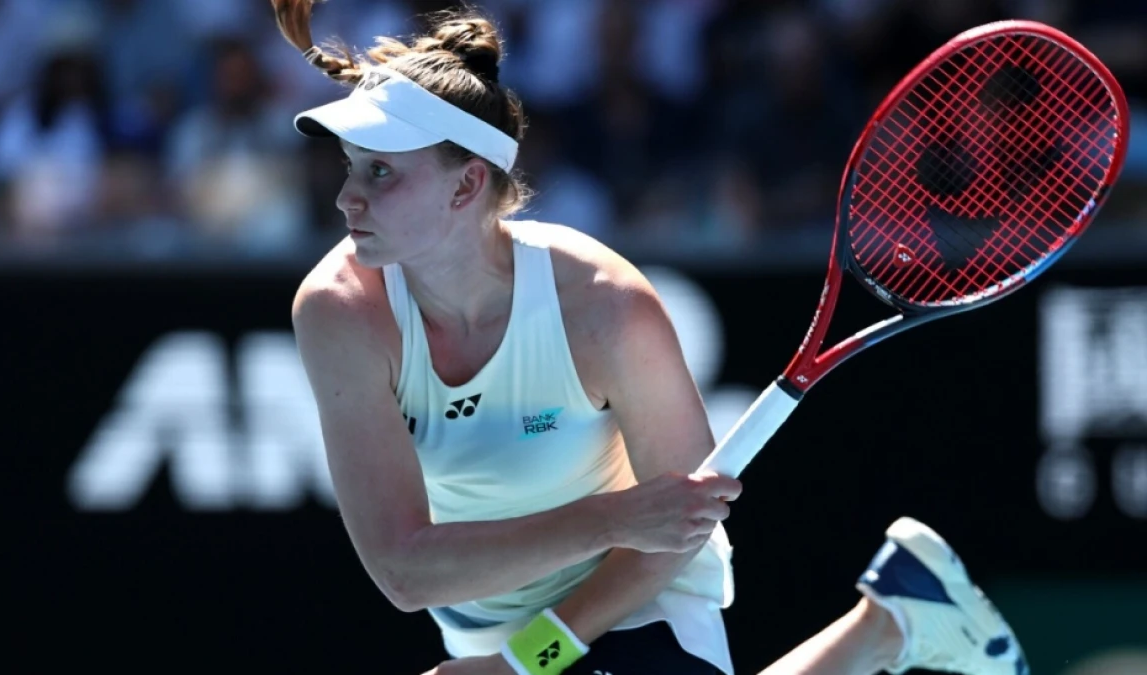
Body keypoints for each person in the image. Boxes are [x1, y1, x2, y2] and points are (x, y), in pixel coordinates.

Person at [276, 2, 1029, 673]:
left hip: (638, 591)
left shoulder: (605, 307)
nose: (347, 198)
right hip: (485, 624)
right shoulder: (339, 311)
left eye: (381, 173)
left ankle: (887, 627)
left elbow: (673, 536)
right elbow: (405, 572)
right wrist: (534, 634)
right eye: (351, 167)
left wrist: (530, 661)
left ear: (467, 184)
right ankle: (890, 625)